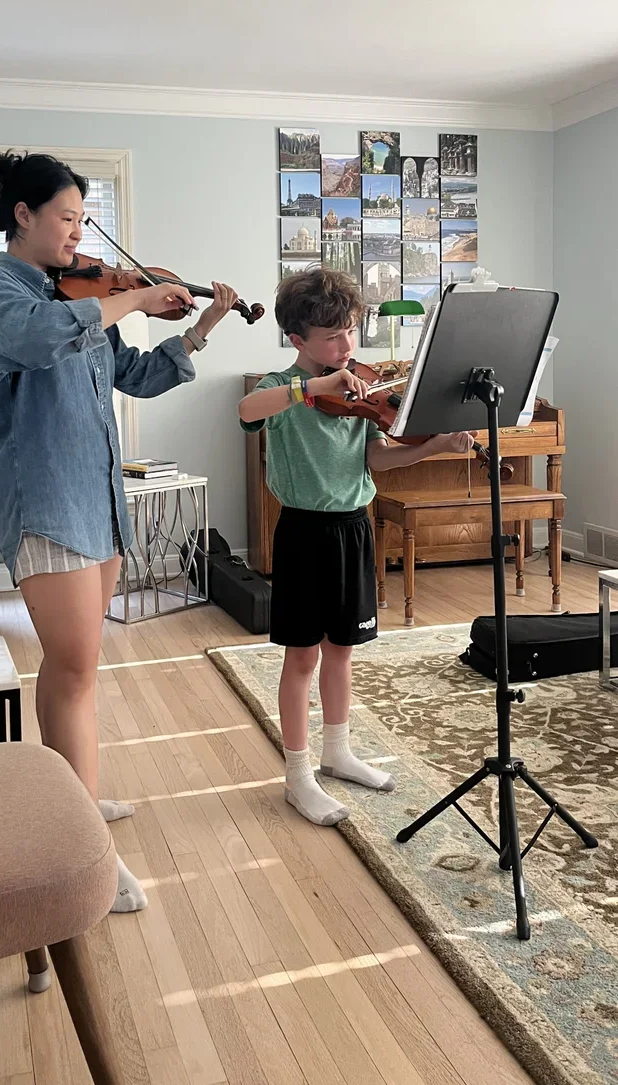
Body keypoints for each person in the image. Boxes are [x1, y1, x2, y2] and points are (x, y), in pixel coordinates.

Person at [0, 150, 239, 911]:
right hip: (46, 499)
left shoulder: (81, 292)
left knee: (74, 669)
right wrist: (136, 296)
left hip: (97, 497)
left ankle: (74, 795)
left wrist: (203, 326)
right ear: (23, 215)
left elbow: (138, 376)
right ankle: (84, 844)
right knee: (76, 666)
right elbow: (40, 339)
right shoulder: (0, 292)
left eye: (83, 221)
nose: (78, 235)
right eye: (67, 218)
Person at [238, 266, 472, 827]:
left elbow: (377, 458)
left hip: (353, 527)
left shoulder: (361, 391)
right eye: (332, 337)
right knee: (303, 657)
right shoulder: (284, 388)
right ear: (297, 341)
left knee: (341, 649)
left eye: (350, 331)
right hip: (303, 532)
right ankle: (297, 776)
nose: (346, 346)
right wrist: (313, 386)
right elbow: (248, 412)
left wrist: (433, 444)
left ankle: (337, 750)